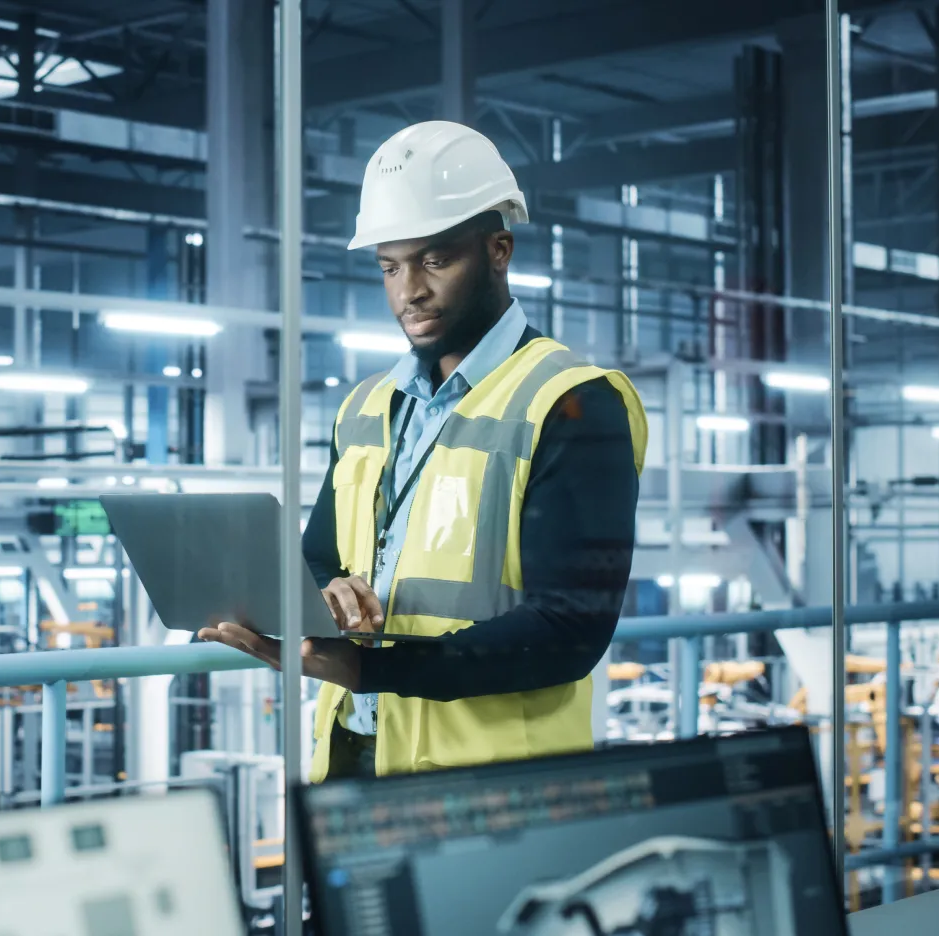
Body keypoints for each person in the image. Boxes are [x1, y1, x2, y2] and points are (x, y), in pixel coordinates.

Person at [197, 121, 647, 781]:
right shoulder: (366, 409)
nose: (410, 290)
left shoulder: (572, 403)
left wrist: (366, 667)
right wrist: (327, 597)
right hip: (356, 758)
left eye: (435, 259)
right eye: (390, 265)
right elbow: (320, 554)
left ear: (498, 250)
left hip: (494, 787)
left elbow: (568, 633)